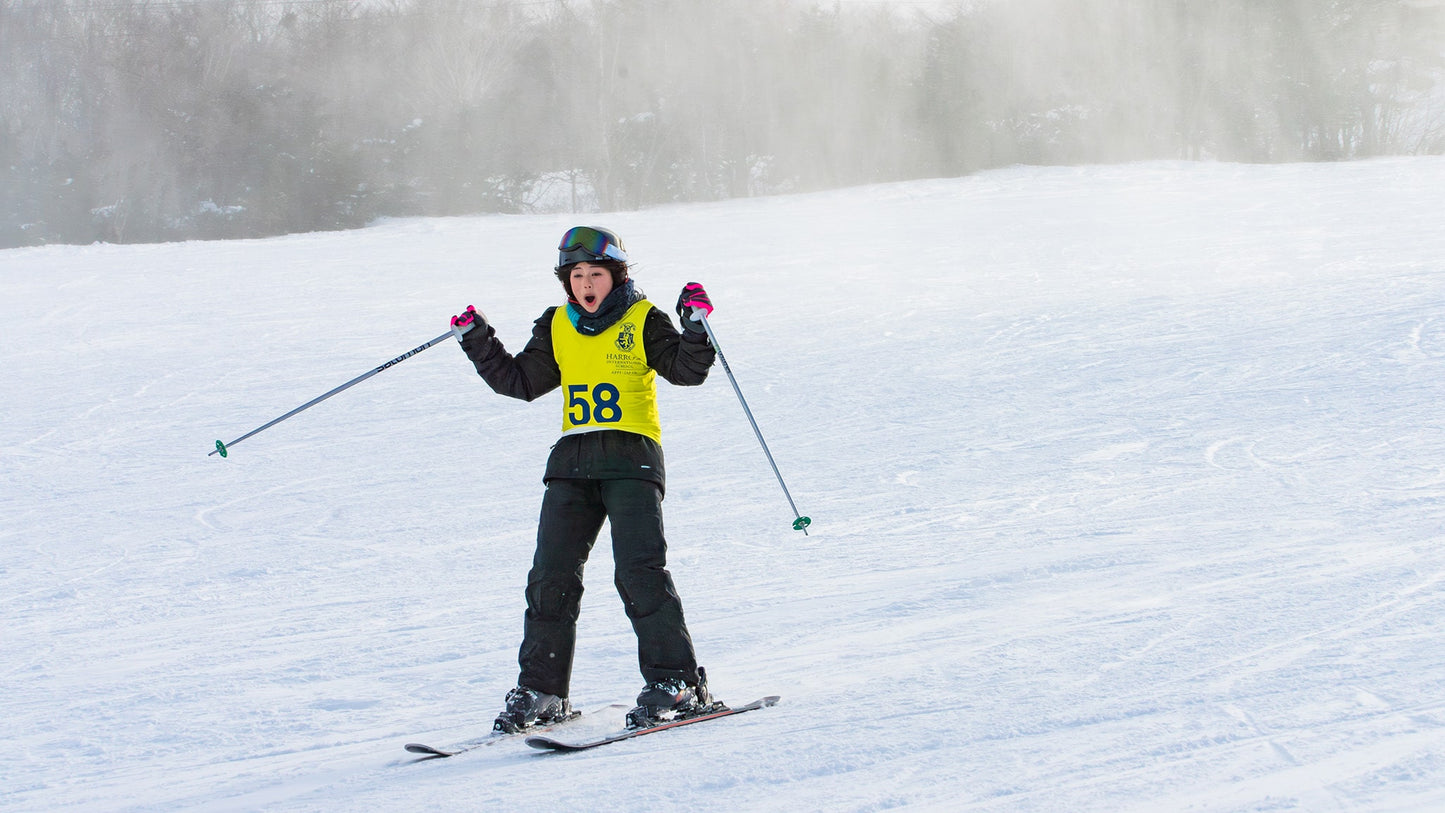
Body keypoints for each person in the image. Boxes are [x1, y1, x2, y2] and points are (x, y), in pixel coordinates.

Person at [451, 225, 718, 733]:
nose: (586, 284)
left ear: (615, 276)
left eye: (595, 273)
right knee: (550, 578)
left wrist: (695, 328)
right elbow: (522, 382)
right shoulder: (556, 324)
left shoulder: (643, 318)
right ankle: (543, 691)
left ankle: (676, 683)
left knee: (638, 572)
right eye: (576, 275)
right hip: (572, 462)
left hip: (631, 458)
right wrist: (478, 339)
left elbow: (686, 371)